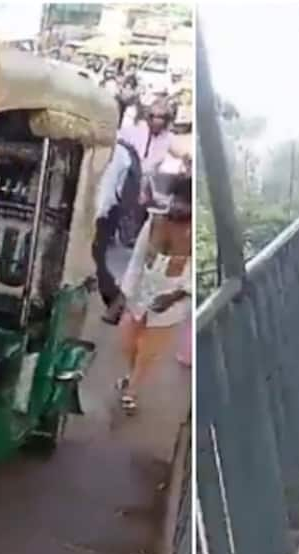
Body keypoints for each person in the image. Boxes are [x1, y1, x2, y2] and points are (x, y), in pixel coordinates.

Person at [116, 175, 192, 414]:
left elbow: (192, 276)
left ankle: (132, 392)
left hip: (170, 304)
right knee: (127, 344)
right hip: (141, 294)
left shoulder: (192, 233)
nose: (179, 206)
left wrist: (174, 297)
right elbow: (137, 260)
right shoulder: (154, 222)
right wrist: (125, 295)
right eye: (177, 199)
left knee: (149, 352)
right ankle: (131, 376)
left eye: (185, 202)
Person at [92, 136, 142, 323]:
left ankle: (115, 302)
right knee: (95, 257)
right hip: (102, 211)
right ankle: (115, 302)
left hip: (103, 213)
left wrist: (98, 216)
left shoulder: (118, 154)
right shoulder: (116, 150)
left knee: (95, 258)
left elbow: (111, 188)